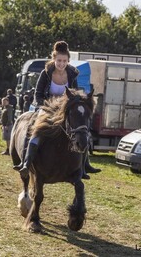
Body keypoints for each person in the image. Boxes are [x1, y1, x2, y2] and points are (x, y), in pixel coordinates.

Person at [14, 41, 94, 179]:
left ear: (68, 61)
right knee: (36, 131)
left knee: (81, 129)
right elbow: (38, 95)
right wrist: (47, 106)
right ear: (54, 59)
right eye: (59, 61)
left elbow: (73, 95)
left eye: (64, 61)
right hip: (46, 108)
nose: (61, 64)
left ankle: (84, 166)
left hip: (64, 109)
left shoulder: (73, 74)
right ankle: (26, 163)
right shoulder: (45, 74)